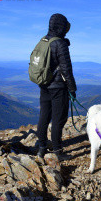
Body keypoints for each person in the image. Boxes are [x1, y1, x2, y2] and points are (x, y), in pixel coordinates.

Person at [36, 13, 77, 157]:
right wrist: (72, 88)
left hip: (43, 84)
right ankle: (58, 152)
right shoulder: (60, 44)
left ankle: (41, 147)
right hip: (58, 87)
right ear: (61, 27)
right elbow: (66, 69)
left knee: (44, 116)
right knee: (58, 119)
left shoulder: (43, 41)